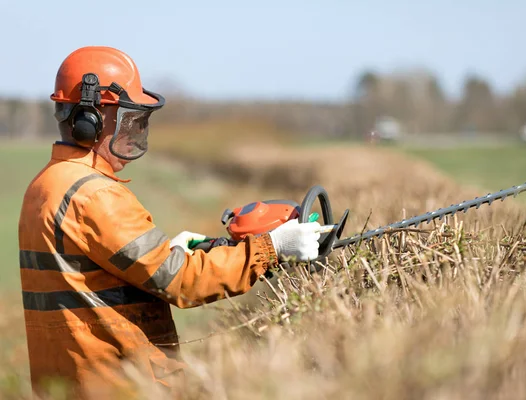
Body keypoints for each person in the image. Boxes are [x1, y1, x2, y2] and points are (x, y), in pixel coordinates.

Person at [18, 46, 322, 400]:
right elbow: (184, 282)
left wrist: (168, 252)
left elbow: (88, 278)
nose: (134, 132)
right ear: (91, 120)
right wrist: (274, 247)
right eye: (128, 120)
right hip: (117, 384)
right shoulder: (95, 195)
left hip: (68, 384)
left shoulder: (46, 184)